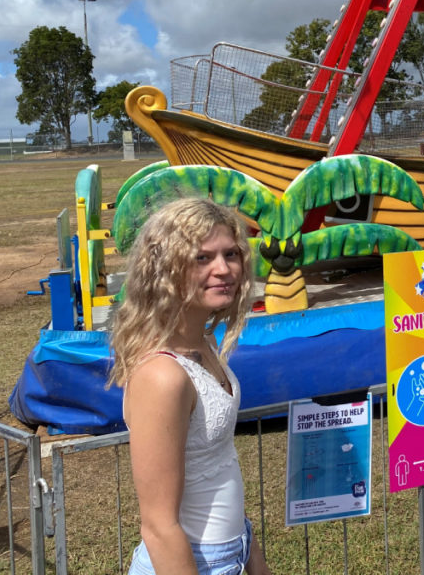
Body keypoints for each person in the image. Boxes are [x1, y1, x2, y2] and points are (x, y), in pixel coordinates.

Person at [109, 197, 272, 575]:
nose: (224, 269)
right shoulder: (163, 376)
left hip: (232, 550)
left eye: (231, 254)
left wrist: (253, 559)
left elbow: (221, 465)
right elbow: (159, 527)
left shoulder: (203, 345)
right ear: (165, 269)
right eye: (203, 258)